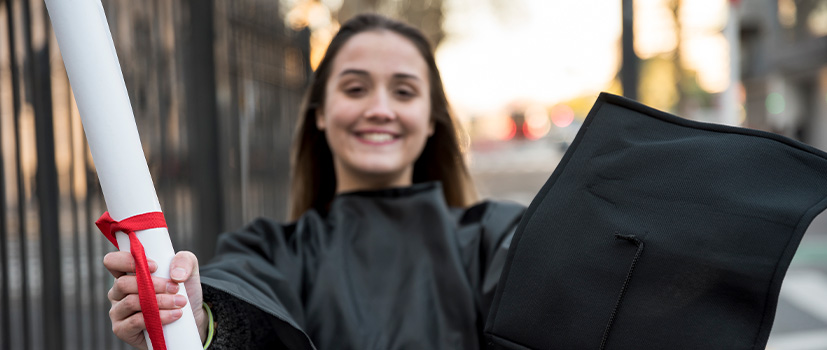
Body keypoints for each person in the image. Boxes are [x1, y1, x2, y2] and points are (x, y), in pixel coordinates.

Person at [104, 13, 525, 349]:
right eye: (356, 88)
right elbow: (238, 314)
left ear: (432, 119)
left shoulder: (497, 236)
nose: (380, 108)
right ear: (321, 113)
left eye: (404, 91)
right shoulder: (267, 251)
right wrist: (193, 321)